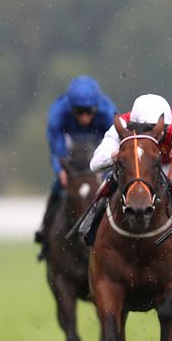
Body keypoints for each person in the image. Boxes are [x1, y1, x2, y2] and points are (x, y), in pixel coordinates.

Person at [84, 94, 172, 257]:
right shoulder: (123, 125)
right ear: (136, 125)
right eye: (149, 128)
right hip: (134, 166)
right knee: (110, 181)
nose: (156, 134)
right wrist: (117, 155)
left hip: (166, 166)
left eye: (160, 129)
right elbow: (95, 163)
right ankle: (91, 223)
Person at [35, 75, 116, 259]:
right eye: (79, 111)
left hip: (98, 151)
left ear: (97, 108)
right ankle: (45, 233)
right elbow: (57, 150)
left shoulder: (108, 113)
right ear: (70, 109)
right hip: (71, 155)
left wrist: (105, 175)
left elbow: (114, 146)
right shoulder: (57, 114)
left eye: (89, 111)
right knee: (58, 187)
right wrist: (60, 171)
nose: (84, 117)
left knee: (114, 188)